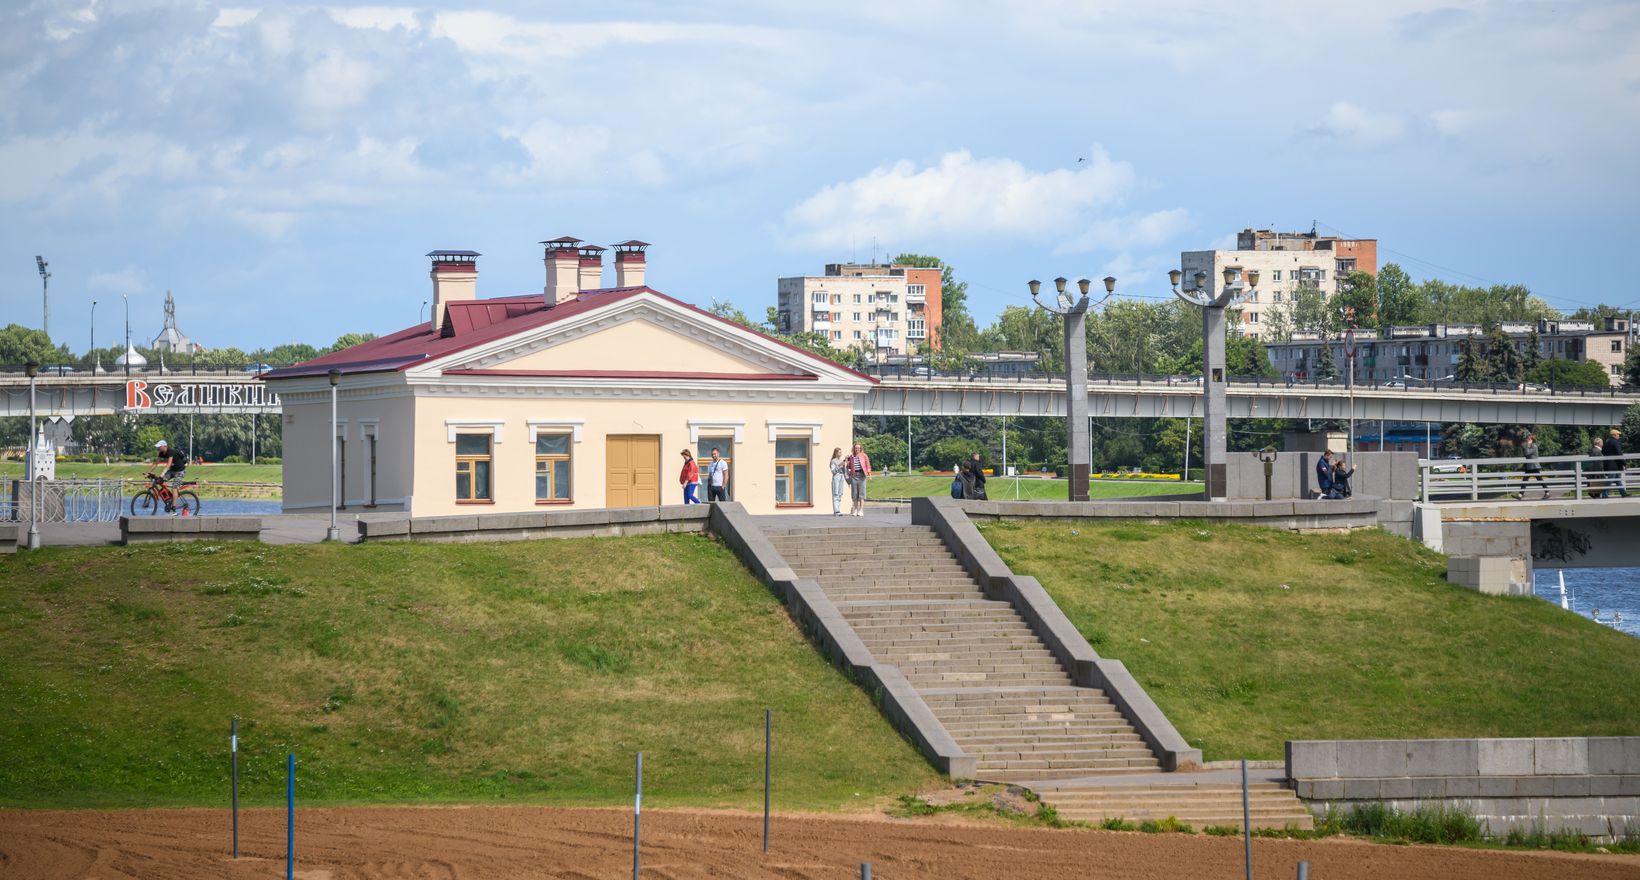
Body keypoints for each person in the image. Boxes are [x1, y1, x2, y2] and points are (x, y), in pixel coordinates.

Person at [146, 439, 188, 514]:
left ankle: (174, 508)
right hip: (172, 471)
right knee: (159, 481)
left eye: (159, 447)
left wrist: (162, 474)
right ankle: (170, 498)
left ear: (164, 446)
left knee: (174, 488)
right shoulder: (161, 453)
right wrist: (148, 472)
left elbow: (168, 464)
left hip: (180, 471)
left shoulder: (170, 452)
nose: (158, 448)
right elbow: (156, 463)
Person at [846, 443, 872, 516]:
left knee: (861, 494)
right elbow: (849, 466)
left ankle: (861, 510)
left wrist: (869, 474)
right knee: (854, 494)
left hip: (862, 475)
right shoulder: (851, 456)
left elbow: (868, 465)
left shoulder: (864, 455)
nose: (857, 449)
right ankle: (855, 510)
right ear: (854, 448)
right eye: (856, 448)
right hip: (854, 475)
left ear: (861, 449)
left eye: (859, 448)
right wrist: (847, 461)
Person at [1516, 433, 1544, 499]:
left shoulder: (1533, 446)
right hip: (1530, 466)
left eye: (1528, 439)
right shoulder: (1530, 446)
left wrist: (1528, 445)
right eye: (1527, 438)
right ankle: (1520, 495)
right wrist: (1527, 446)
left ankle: (1547, 492)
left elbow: (1527, 453)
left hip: (1534, 466)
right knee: (1525, 480)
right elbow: (1526, 453)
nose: (1527, 440)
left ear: (1532, 440)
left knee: (1540, 480)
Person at [1605, 429, 1630, 498]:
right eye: (1618, 434)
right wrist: (1624, 463)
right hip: (1615, 465)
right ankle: (1604, 494)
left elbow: (1604, 452)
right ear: (1614, 435)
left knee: (1617, 480)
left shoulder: (1607, 442)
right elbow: (1619, 453)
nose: (1619, 436)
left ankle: (1623, 493)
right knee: (1610, 480)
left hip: (1610, 464)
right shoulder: (1616, 442)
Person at [828, 447, 847, 515]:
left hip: (841, 476)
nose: (840, 453)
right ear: (836, 453)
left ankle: (838, 509)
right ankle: (836, 510)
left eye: (841, 452)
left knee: (840, 493)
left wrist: (844, 463)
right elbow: (833, 471)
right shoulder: (833, 461)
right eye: (839, 452)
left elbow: (844, 470)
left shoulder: (841, 460)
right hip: (836, 476)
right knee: (835, 493)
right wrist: (840, 465)